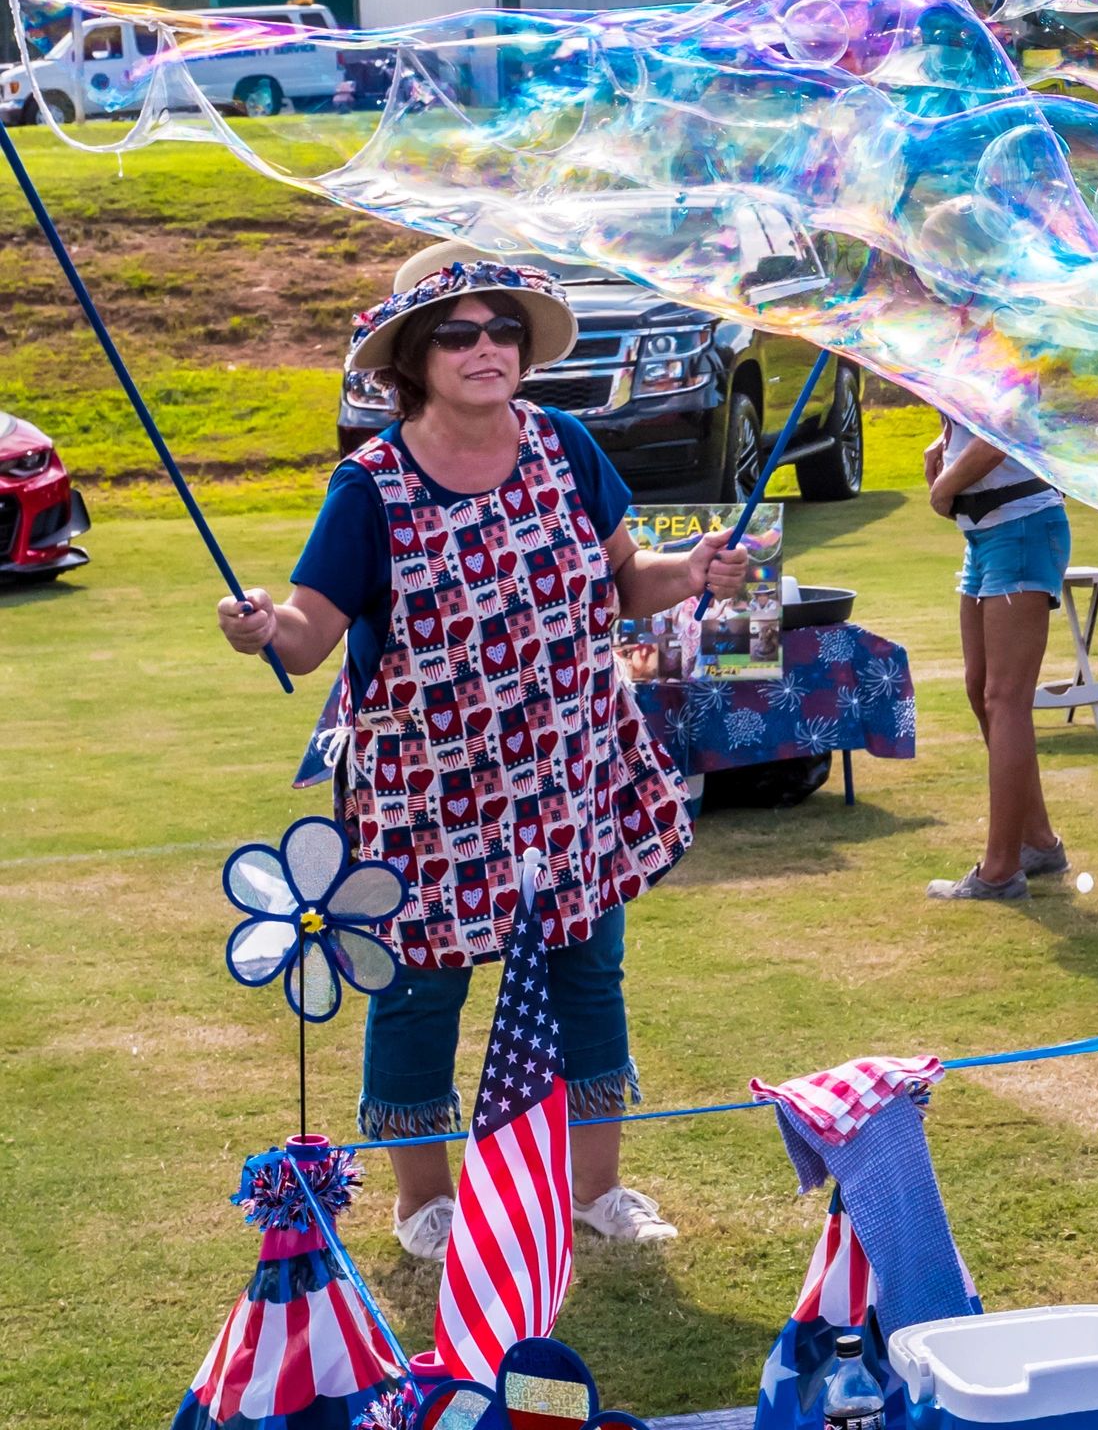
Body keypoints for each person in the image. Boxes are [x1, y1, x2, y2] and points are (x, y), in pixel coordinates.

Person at [216, 243, 748, 1260]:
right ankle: (427, 1204)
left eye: (502, 328)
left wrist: (692, 572)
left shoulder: (565, 446)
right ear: (416, 356)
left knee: (589, 970)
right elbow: (309, 632)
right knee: (421, 986)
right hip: (429, 794)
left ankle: (598, 1191)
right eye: (457, 333)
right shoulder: (368, 487)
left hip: (568, 767)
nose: (485, 346)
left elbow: (624, 584)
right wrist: (258, 629)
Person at [922, 414, 1071, 901]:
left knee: (1005, 698)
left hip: (1021, 526)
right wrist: (941, 446)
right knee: (980, 686)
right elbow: (974, 426)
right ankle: (1038, 841)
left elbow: (1000, 436)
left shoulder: (1014, 343)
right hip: (985, 532)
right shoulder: (973, 345)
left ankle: (1001, 870)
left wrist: (945, 484)